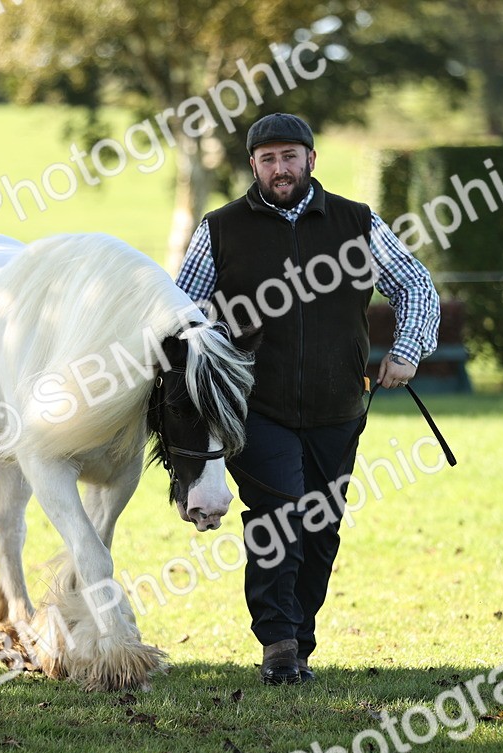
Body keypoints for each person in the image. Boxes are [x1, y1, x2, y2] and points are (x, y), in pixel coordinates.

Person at [175, 113, 440, 684]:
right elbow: (183, 316)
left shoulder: (356, 222)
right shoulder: (219, 230)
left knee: (320, 531)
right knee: (278, 517)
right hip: (254, 412)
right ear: (253, 166)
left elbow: (415, 285)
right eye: (267, 159)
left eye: (289, 156)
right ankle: (277, 643)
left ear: (311, 160)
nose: (280, 168)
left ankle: (299, 638)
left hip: (339, 409)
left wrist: (408, 349)